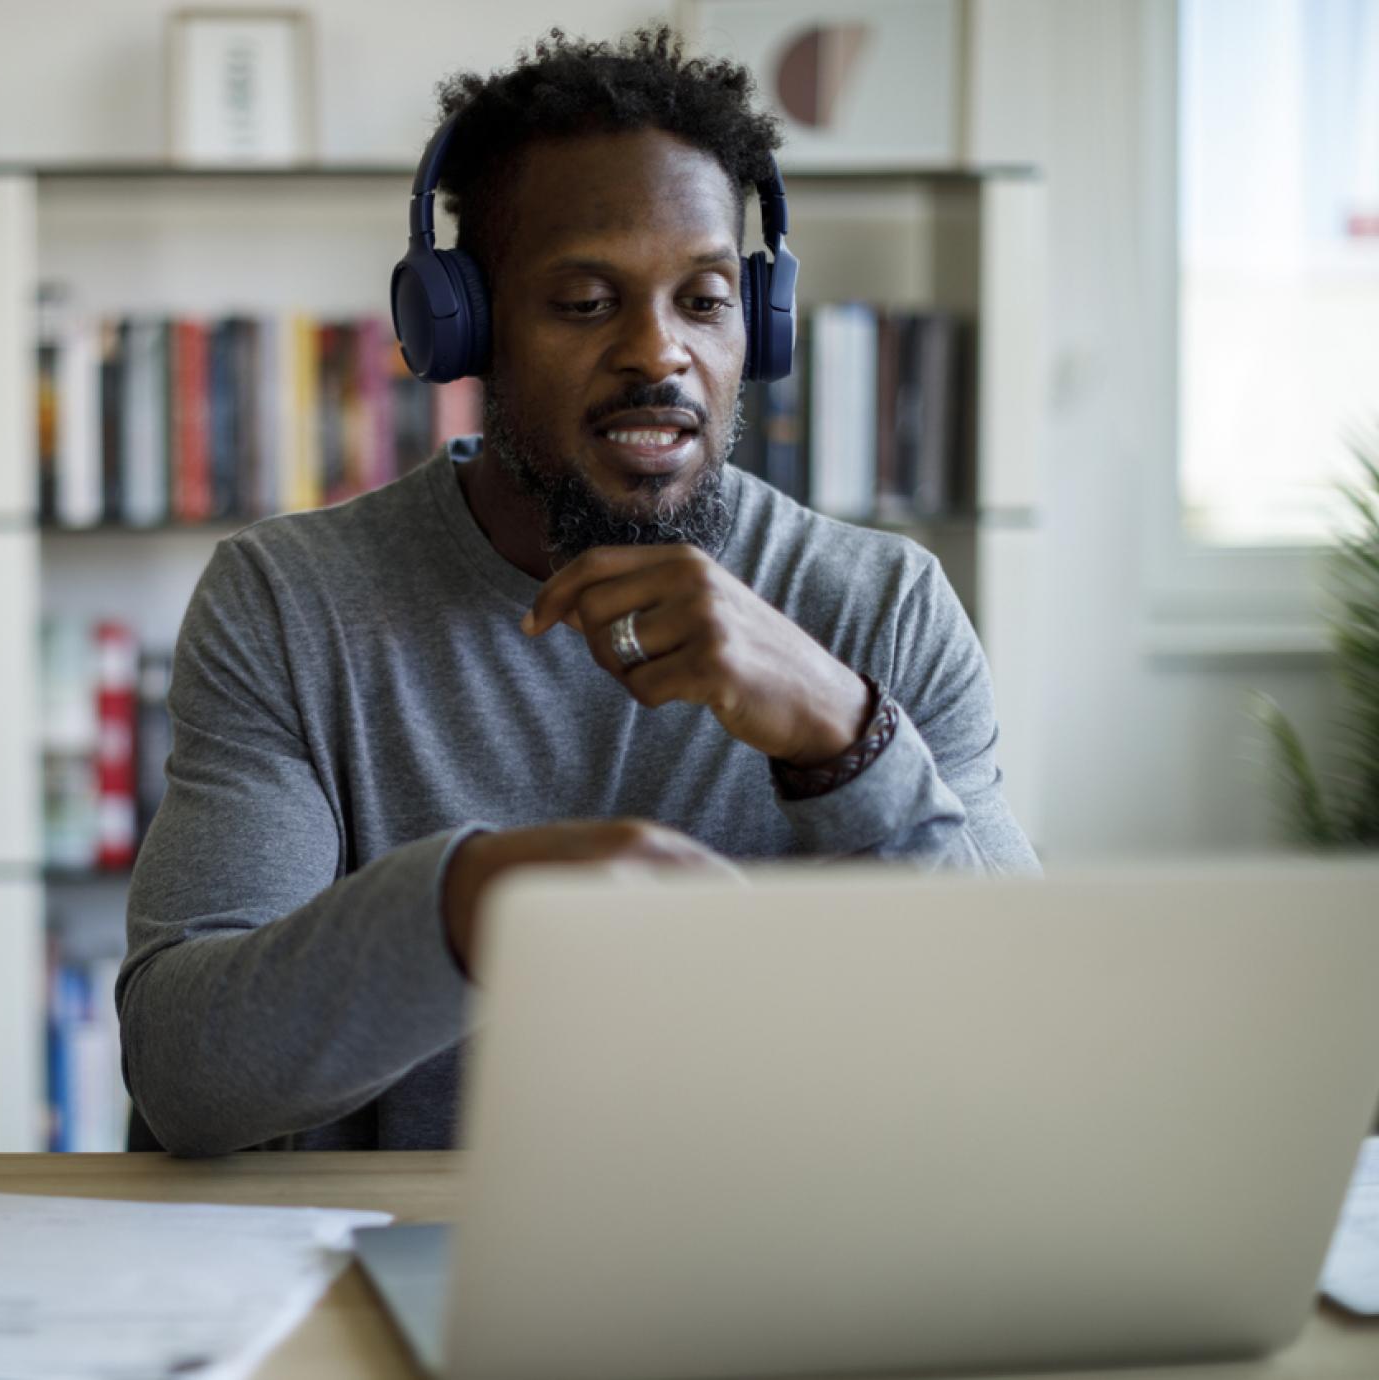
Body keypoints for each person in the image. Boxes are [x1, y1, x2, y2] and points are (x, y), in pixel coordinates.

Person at [119, 25, 1039, 1156]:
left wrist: (841, 735)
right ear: (460, 327)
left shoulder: (880, 602)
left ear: (759, 323)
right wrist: (470, 904)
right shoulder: (290, 604)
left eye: (703, 301)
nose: (657, 356)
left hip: (794, 1261)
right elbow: (185, 1079)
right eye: (585, 302)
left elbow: (1020, 1038)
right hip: (402, 1266)